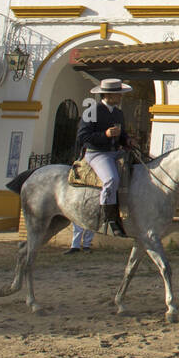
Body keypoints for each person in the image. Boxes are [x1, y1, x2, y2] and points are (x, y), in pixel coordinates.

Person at [75, 78, 133, 238]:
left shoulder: (118, 113)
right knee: (111, 179)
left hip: (116, 152)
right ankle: (109, 219)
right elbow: (83, 137)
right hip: (97, 153)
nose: (121, 97)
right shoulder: (92, 111)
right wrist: (105, 135)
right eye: (118, 94)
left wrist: (126, 140)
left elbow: (122, 134)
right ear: (108, 94)